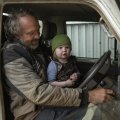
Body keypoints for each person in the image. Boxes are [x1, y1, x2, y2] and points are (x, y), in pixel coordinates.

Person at [2, 9, 116, 120]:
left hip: (52, 103)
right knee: (101, 112)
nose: (37, 36)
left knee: (108, 106)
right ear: (16, 35)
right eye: (31, 33)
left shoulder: (38, 49)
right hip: (35, 113)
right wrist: (88, 96)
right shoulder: (11, 56)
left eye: (38, 30)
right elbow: (38, 93)